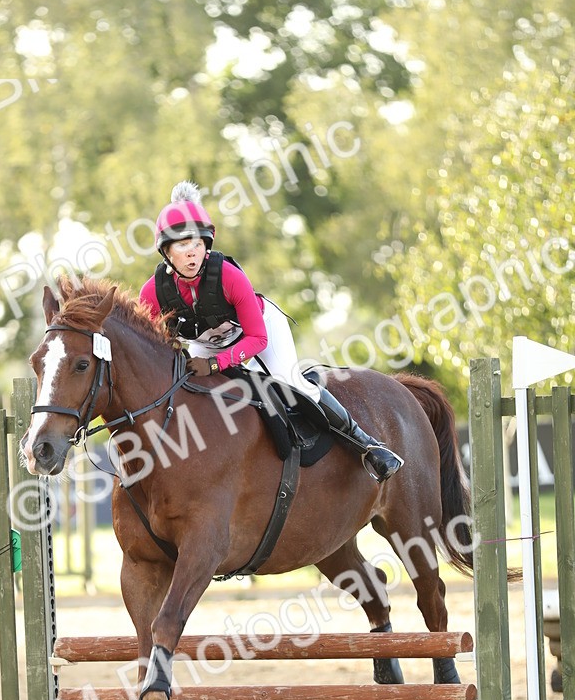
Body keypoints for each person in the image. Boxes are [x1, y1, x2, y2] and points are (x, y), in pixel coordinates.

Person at [138, 181, 404, 482]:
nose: (192, 253)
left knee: (289, 382)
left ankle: (368, 446)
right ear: (166, 251)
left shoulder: (229, 276)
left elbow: (257, 338)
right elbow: (152, 349)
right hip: (206, 344)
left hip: (259, 332)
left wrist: (214, 365)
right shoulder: (152, 293)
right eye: (183, 245)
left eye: (198, 243)